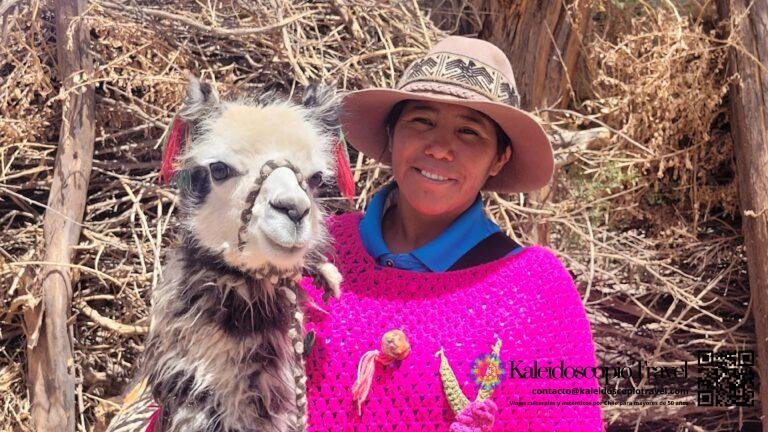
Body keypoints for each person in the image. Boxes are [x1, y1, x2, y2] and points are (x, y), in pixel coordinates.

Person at [300, 36, 604, 431]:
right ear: (392, 136)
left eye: (469, 132)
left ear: (499, 158)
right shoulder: (315, 251)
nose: (441, 149)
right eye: (422, 121)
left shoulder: (535, 292)